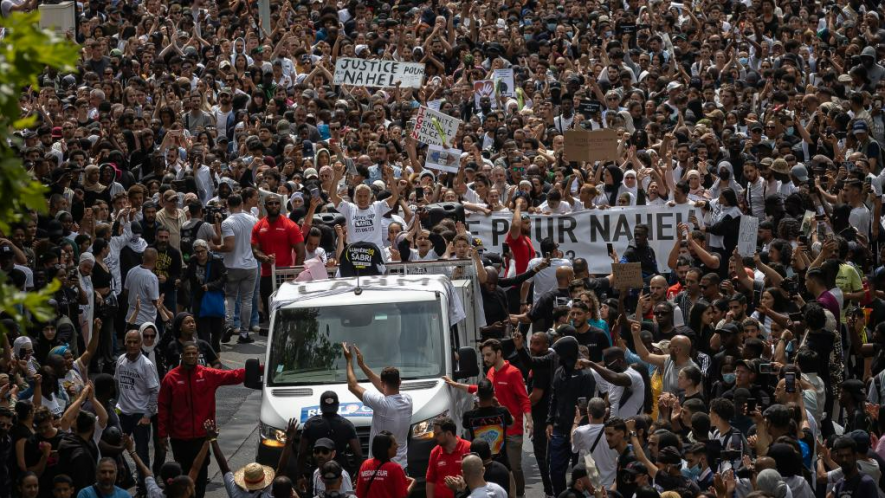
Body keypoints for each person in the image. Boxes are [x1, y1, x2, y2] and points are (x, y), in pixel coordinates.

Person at [444, 339, 532, 497]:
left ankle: (520, 494)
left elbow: (524, 398)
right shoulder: (490, 372)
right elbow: (478, 390)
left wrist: (529, 420)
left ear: (499, 353)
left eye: (488, 355)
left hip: (512, 430)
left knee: (514, 468)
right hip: (491, 436)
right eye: (483, 355)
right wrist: (456, 385)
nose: (485, 358)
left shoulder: (513, 372)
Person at [158, 342, 247, 498]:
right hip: (179, 438)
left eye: (194, 353)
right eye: (188, 353)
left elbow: (233, 375)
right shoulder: (170, 378)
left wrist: (260, 370)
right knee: (183, 477)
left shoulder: (207, 374)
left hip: (202, 438)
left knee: (200, 479)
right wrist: (162, 435)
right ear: (182, 355)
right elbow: (163, 407)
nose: (191, 356)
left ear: (198, 354)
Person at [342, 343, 412, 470]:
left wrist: (349, 361)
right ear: (400, 382)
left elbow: (352, 386)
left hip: (382, 468)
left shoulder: (382, 404)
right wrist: (362, 366)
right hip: (402, 466)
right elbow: (385, 389)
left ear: (382, 383)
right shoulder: (408, 400)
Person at [114, 329, 159, 494]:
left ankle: (143, 486)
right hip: (123, 412)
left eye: (135, 342)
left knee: (141, 451)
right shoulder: (120, 360)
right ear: (125, 342)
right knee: (116, 447)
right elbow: (117, 383)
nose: (132, 345)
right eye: (129, 341)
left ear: (141, 344)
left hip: (140, 414)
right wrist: (116, 407)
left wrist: (148, 416)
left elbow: (154, 391)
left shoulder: (146, 365)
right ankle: (121, 480)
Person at [210, 193, 258, 344]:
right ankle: (244, 333)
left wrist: (214, 247)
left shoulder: (227, 222)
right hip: (251, 265)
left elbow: (229, 246)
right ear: (241, 204)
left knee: (230, 297)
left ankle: (229, 325)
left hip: (232, 266)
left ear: (227, 206)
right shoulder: (253, 219)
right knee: (247, 300)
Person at [252, 194, 305, 318]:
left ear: (280, 205)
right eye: (270, 203)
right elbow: (255, 251)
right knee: (270, 312)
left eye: (276, 203)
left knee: (287, 313)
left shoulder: (290, 226)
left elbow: (301, 252)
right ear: (265, 206)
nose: (274, 205)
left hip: (285, 276)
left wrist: (294, 275)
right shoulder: (258, 226)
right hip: (266, 276)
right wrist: (265, 258)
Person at [297, 391, 362, 490]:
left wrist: (300, 475)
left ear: (321, 406)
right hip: (340, 472)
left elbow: (302, 453)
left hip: (318, 471)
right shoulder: (347, 425)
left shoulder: (310, 424)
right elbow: (357, 454)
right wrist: (357, 474)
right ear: (337, 406)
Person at [461, 379, 513, 467]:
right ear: (493, 394)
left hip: (479, 464)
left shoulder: (469, 416)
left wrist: (475, 406)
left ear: (477, 394)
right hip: (502, 463)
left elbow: (466, 425)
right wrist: (498, 405)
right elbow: (512, 424)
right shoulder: (503, 411)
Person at [355, 432, 413, 498]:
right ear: (386, 449)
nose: (397, 446)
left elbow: (359, 493)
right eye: (394, 444)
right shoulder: (395, 469)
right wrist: (413, 483)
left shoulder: (365, 465)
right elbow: (402, 496)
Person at [425, 417, 471, 498]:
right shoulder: (435, 452)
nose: (435, 437)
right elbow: (430, 480)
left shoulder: (468, 448)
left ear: (449, 434)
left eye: (438, 434)